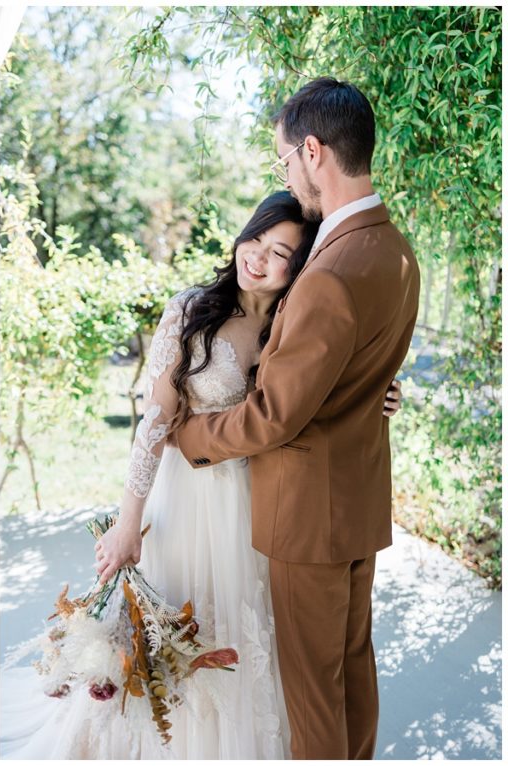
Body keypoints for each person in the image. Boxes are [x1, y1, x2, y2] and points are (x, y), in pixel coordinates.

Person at [1, 190, 404, 759]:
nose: (258, 258)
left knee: (248, 637)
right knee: (179, 632)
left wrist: (381, 392)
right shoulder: (191, 309)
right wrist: (129, 521)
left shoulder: (289, 326)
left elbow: (321, 390)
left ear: (300, 266)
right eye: (256, 239)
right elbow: (155, 422)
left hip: (258, 502)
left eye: (280, 253)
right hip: (185, 501)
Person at [172, 78, 420, 759]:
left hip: (309, 516)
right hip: (359, 505)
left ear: (312, 151)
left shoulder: (331, 272)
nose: (285, 174)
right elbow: (359, 373)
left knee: (311, 692)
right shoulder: (397, 253)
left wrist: (190, 437)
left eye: (284, 160)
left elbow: (275, 416)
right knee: (351, 672)